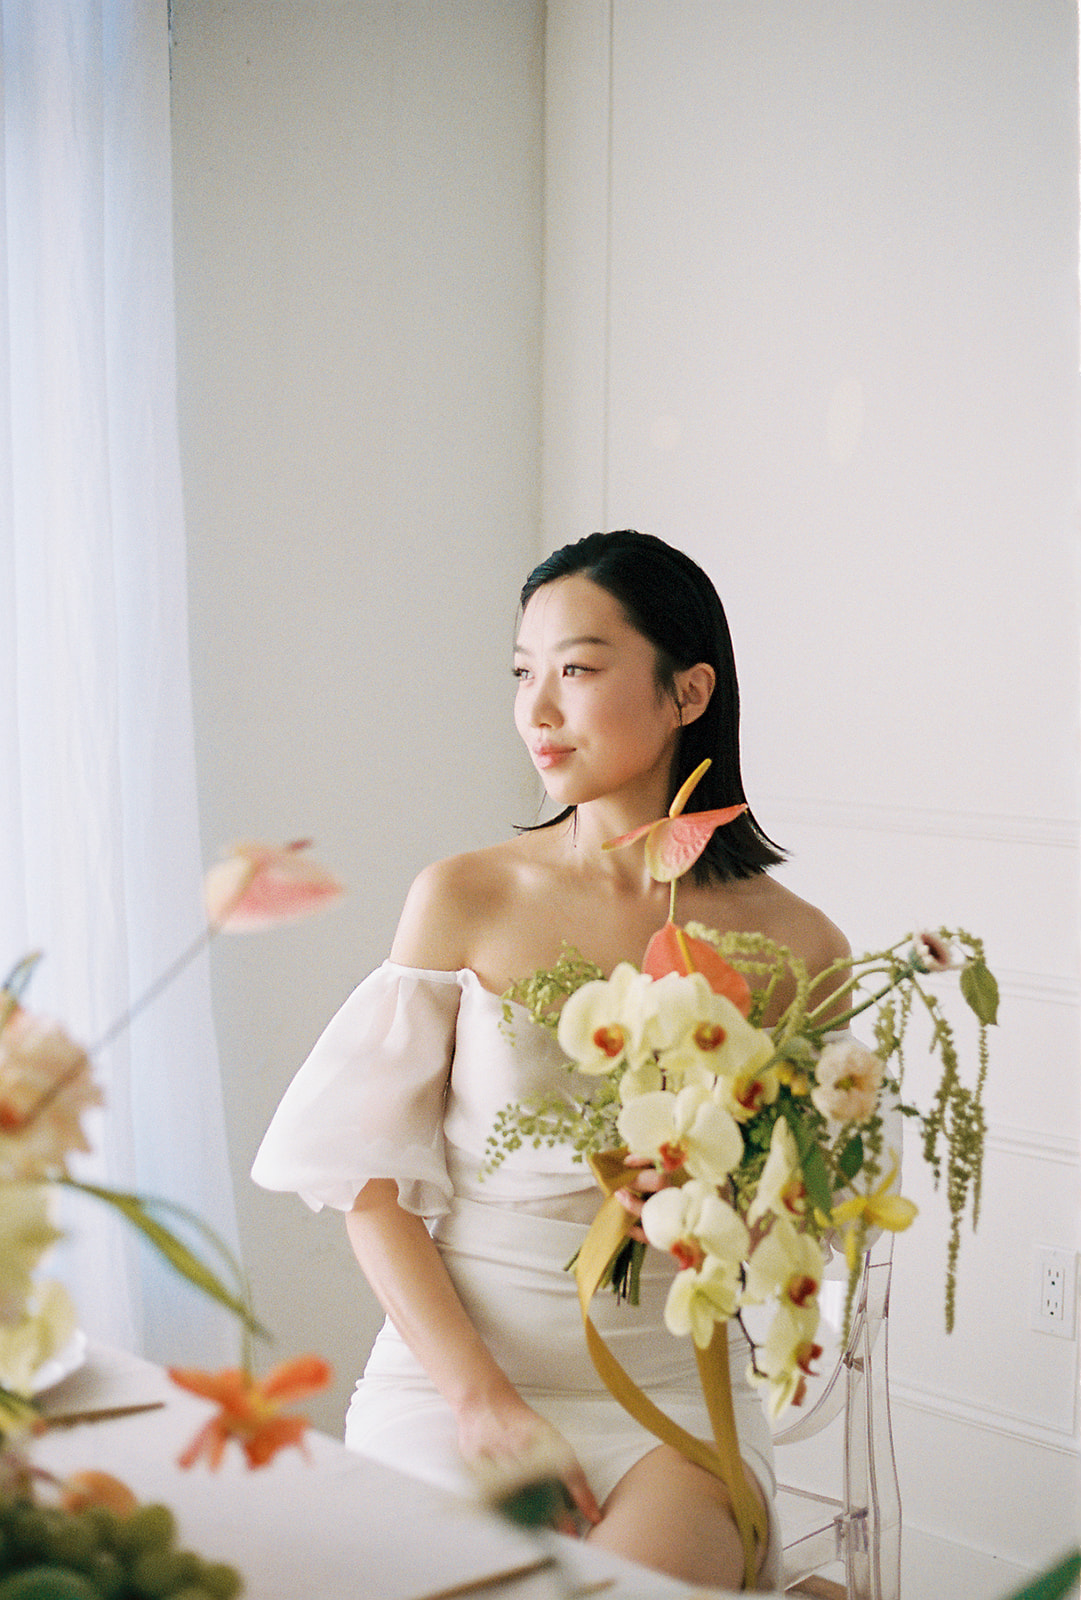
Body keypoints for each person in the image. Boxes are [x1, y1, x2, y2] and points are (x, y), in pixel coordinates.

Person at [252, 530, 850, 1591]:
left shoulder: (798, 944)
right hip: (456, 1387)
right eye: (522, 674)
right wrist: (482, 1402)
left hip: (677, 1396)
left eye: (575, 670)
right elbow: (372, 1193)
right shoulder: (467, 897)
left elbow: (798, 1213)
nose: (537, 710)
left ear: (687, 690)